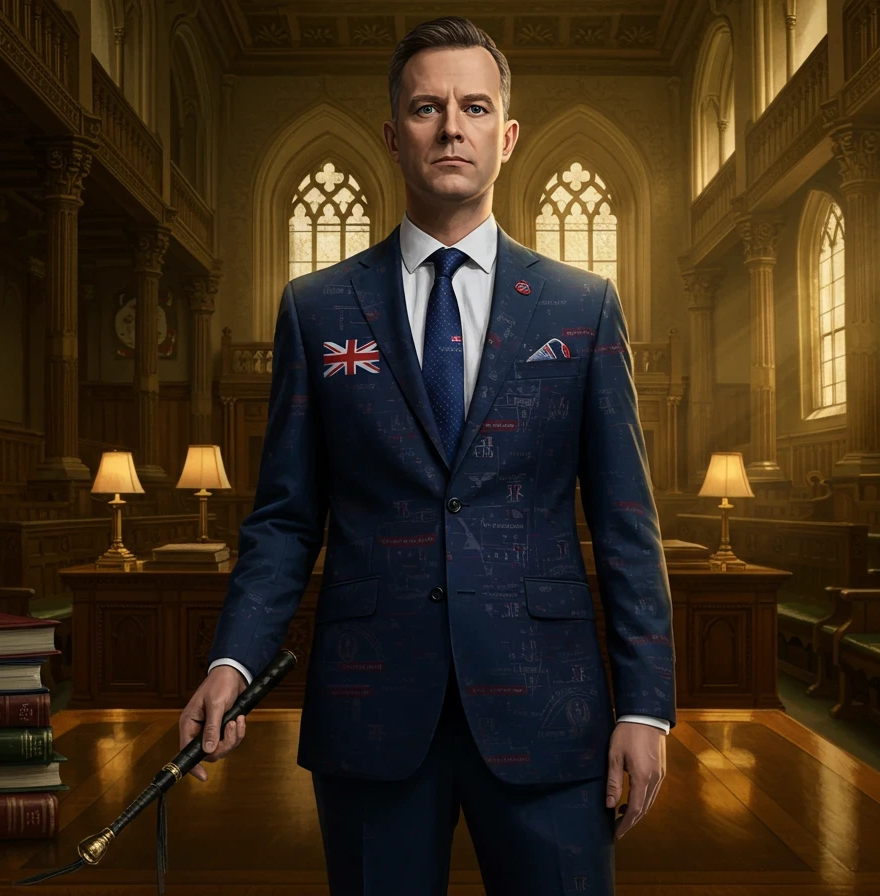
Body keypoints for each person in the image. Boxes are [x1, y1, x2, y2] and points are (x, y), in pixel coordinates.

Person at [179, 16, 675, 895]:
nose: (452, 126)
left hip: (549, 708)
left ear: (506, 136)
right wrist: (234, 662)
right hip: (372, 712)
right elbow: (287, 518)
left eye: (474, 106)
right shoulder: (317, 309)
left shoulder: (582, 306)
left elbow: (626, 520)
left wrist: (644, 704)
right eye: (427, 107)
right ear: (393, 135)